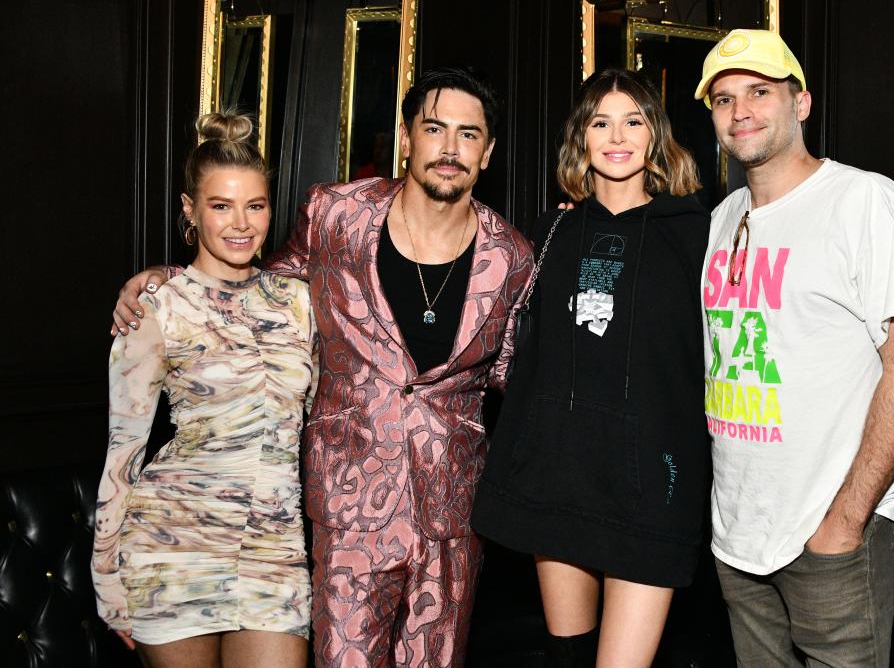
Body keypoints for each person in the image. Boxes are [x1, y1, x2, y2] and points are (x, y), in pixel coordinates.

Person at [109, 67, 533, 668]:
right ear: (406, 136)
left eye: (469, 134)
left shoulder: (512, 256)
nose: (450, 147)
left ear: (487, 152)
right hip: (347, 503)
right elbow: (261, 290)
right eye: (434, 128)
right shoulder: (335, 214)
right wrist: (172, 279)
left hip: (452, 515)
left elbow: (515, 374)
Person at [694, 29, 894, 666]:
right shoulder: (723, 220)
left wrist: (845, 523)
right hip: (738, 538)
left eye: (759, 92)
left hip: (830, 535)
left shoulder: (864, 202)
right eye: (723, 99)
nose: (739, 110)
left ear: (800, 103)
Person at [472, 68, 710, 668]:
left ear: (655, 134)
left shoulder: (695, 232)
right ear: (581, 138)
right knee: (566, 658)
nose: (617, 136)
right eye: (601, 122)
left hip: (650, 484)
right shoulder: (554, 230)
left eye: (633, 121)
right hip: (562, 470)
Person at [93, 112, 316, 667]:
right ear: (191, 211)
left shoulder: (299, 302)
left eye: (256, 205)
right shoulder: (157, 306)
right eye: (221, 206)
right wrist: (105, 577)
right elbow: (123, 450)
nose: (241, 223)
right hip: (172, 546)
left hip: (274, 548)